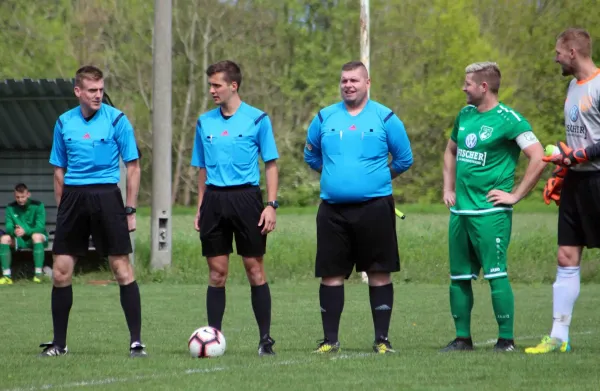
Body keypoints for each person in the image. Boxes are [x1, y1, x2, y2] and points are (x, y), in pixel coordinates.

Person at [304, 61, 413, 354]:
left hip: (375, 208)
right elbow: (311, 155)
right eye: (344, 80)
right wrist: (335, 176)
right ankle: (330, 340)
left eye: (354, 80)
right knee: (331, 274)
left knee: (378, 272)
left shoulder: (386, 117)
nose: (348, 85)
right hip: (332, 211)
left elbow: (404, 159)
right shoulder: (324, 117)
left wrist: (375, 178)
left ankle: (382, 340)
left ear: (367, 82)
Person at [441, 62, 546, 352]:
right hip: (460, 212)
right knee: (459, 277)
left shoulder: (510, 120)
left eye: (468, 83)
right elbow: (450, 152)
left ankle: (506, 340)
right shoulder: (464, 115)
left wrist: (515, 195)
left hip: (490, 213)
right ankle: (462, 338)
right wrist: (448, 188)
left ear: (483, 87)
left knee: (496, 274)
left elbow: (538, 157)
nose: (463, 88)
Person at [42, 65, 145, 358]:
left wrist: (130, 208)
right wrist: (62, 211)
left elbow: (133, 167)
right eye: (92, 90)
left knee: (121, 268)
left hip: (107, 197)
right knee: (61, 272)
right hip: (74, 198)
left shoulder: (118, 120)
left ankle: (136, 342)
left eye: (101, 89)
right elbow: (58, 171)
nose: (98, 95)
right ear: (78, 92)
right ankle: (59, 345)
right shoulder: (63, 123)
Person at [191, 60, 279, 356]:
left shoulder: (258, 119)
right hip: (214, 201)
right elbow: (201, 169)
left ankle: (265, 339)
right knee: (217, 273)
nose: (212, 90)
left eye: (217, 85)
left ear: (233, 86)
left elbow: (271, 164)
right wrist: (200, 206)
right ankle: (213, 337)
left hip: (247, 200)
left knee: (254, 269)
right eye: (210, 85)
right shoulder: (204, 122)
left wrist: (271, 205)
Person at [525, 28, 600, 354]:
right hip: (575, 181)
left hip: (598, 179)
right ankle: (558, 336)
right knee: (566, 255)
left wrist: (577, 156)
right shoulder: (571, 86)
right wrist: (563, 166)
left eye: (558, 52)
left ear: (572, 52)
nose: (555, 57)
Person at [0, 183, 49, 284]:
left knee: (36, 236)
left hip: (37, 238)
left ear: (28, 194)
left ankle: (38, 274)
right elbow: (8, 226)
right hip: (19, 238)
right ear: (15, 196)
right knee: (4, 239)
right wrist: (14, 231)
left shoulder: (38, 205)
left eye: (23, 197)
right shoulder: (10, 207)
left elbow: (40, 227)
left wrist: (25, 231)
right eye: (18, 197)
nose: (20, 199)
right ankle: (6, 276)